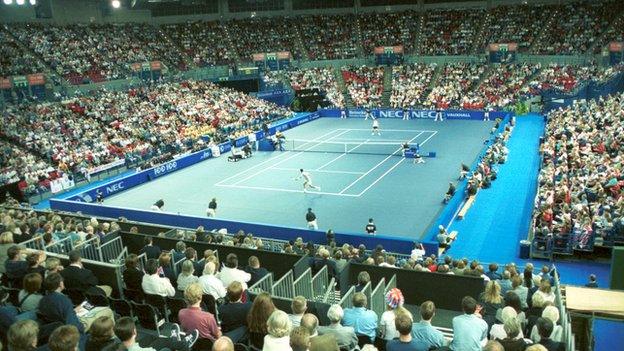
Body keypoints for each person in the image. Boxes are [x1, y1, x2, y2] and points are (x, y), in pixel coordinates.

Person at [113, 316, 198, 351]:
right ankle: (184, 343)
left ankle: (174, 340)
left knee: (151, 337)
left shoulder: (117, 347)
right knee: (164, 342)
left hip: (135, 346)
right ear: (134, 332)